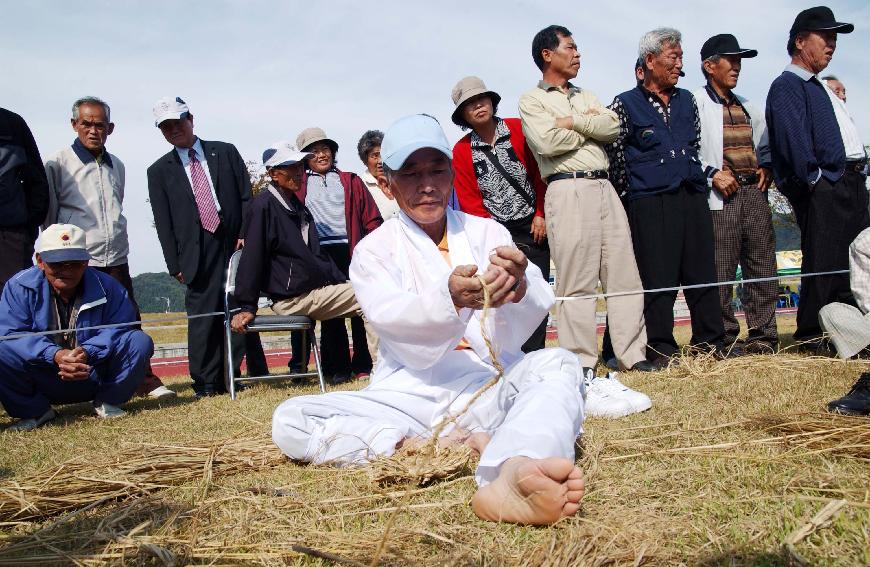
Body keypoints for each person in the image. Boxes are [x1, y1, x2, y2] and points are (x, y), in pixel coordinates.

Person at [272, 114, 586, 525]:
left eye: (437, 170)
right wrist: (449, 300)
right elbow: (393, 321)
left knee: (558, 363)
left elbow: (527, 309)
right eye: (411, 174)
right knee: (291, 419)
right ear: (388, 184)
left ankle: (513, 468)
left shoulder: (488, 231)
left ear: (451, 174)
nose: (427, 186)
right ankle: (412, 445)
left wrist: (521, 287)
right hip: (410, 393)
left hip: (484, 381)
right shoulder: (372, 251)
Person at [518, 26, 652, 387]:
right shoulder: (532, 100)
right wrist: (589, 126)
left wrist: (573, 120)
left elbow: (612, 127)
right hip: (567, 188)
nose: (578, 54)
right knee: (576, 278)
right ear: (548, 54)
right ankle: (580, 360)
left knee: (624, 273)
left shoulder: (586, 94)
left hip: (604, 186)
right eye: (571, 47)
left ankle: (632, 354)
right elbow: (546, 142)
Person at [607, 27, 728, 367]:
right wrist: (631, 196)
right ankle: (659, 346)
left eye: (680, 57)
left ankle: (710, 342)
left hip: (691, 194)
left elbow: (695, 144)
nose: (679, 64)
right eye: (673, 57)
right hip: (649, 200)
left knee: (701, 269)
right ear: (650, 60)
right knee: (656, 276)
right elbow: (615, 157)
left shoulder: (687, 99)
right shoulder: (623, 104)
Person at [43, 96, 173, 399]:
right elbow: (50, 215)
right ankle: (70, 384)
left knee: (128, 318)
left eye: (99, 125)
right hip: (76, 259)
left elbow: (116, 206)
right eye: (86, 124)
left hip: (115, 256)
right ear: (74, 124)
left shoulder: (119, 166)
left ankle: (142, 378)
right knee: (75, 324)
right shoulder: (58, 162)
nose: (93, 130)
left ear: (110, 128)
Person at [230, 142, 378, 382]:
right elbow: (252, 258)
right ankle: (383, 368)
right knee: (369, 295)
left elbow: (316, 256)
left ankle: (380, 366)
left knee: (371, 291)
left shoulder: (298, 207)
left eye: (300, 165)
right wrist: (246, 305)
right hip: (290, 298)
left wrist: (342, 280)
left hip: (309, 290)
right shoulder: (263, 206)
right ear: (274, 174)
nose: (299, 171)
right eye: (291, 167)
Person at [147, 97, 264, 398]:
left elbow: (245, 198)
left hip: (231, 241)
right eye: (166, 127)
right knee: (202, 317)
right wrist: (174, 264)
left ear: (191, 119)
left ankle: (231, 376)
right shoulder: (158, 171)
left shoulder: (225, 152)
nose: (174, 130)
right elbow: (163, 222)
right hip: (194, 251)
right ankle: (205, 383)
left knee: (236, 307)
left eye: (178, 122)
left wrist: (244, 234)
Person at [765, 6, 867, 351]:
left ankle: (849, 333)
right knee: (824, 262)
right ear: (799, 41)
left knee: (851, 266)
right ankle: (813, 333)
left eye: (834, 38)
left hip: (850, 183)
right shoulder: (788, 85)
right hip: (827, 186)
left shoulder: (820, 87)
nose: (832, 44)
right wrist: (817, 181)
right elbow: (793, 141)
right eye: (825, 37)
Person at [0, 224, 153, 431]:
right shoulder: (18, 287)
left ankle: (108, 401)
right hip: (42, 375)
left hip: (93, 372)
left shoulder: (108, 286)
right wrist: (54, 354)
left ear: (86, 262)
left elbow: (120, 329)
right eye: (58, 264)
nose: (67, 270)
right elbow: (11, 334)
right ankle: (34, 410)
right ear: (40, 261)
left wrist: (87, 352)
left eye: (75, 264)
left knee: (139, 341)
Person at [451, 76, 551, 353]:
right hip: (497, 233)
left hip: (533, 225)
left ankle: (536, 353)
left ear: (492, 101)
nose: (478, 106)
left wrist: (540, 213)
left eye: (481, 99)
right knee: (505, 292)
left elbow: (538, 175)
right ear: (463, 115)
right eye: (470, 104)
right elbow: (470, 199)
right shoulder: (461, 151)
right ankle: (510, 353)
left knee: (536, 289)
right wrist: (493, 236)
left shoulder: (519, 129)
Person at [693, 35, 778, 354]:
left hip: (753, 193)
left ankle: (764, 336)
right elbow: (688, 150)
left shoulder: (748, 105)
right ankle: (725, 337)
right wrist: (713, 174)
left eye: (740, 59)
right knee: (720, 267)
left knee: (762, 264)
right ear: (709, 65)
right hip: (720, 197)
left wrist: (766, 168)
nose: (737, 65)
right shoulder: (695, 104)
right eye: (731, 59)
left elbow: (766, 144)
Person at [291, 127, 382, 383]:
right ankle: (337, 368)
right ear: (304, 157)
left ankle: (363, 364)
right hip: (318, 255)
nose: (321, 155)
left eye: (325, 149)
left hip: (351, 250)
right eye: (314, 151)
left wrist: (371, 248)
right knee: (331, 312)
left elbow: (371, 218)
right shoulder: (298, 186)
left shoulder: (350, 180)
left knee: (362, 306)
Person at [0, 108, 49, 293]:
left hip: (10, 237)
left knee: (17, 302)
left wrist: (25, 230)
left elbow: (37, 181)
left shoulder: (12, 124)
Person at [357, 130, 399, 220]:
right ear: (365, 160)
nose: (380, 161)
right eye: (375, 156)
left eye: (382, 154)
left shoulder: (398, 180)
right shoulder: (360, 187)